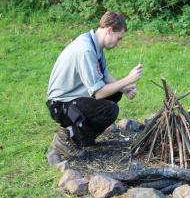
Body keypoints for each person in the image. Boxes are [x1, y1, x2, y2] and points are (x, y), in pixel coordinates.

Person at [46, 11, 143, 159]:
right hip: (60, 106)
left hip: (73, 99)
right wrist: (128, 79)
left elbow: (105, 76)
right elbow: (99, 93)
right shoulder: (85, 49)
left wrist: (124, 88)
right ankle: (67, 138)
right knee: (110, 109)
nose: (118, 43)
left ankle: (82, 138)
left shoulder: (94, 44)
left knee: (115, 93)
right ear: (109, 30)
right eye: (119, 38)